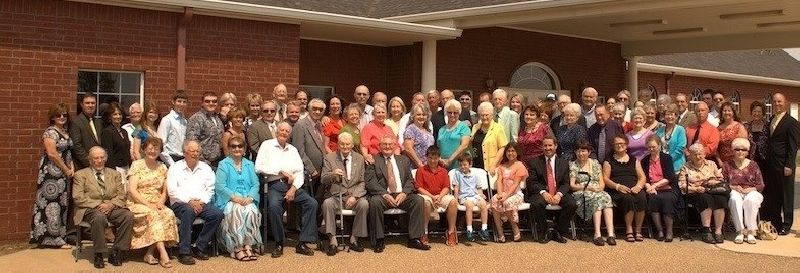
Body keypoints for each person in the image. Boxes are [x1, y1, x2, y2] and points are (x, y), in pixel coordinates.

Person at [254, 122, 318, 257]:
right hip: (274, 185)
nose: (284, 133)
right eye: (281, 130)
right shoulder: (267, 145)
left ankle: (302, 242)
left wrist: (293, 190)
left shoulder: (293, 150)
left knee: (312, 203)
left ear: (290, 135)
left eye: (287, 131)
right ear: (277, 131)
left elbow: (300, 172)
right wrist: (280, 171)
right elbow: (258, 167)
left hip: (292, 186)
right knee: (274, 207)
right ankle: (279, 242)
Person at [366, 135, 429, 252]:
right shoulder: (374, 160)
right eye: (384, 144)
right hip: (383, 196)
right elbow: (370, 182)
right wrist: (384, 194)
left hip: (402, 195)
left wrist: (405, 193)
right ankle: (379, 239)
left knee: (418, 200)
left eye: (390, 144)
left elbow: (410, 180)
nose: (387, 146)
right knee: (374, 202)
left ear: (395, 146)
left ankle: (414, 239)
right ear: (379, 146)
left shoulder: (403, 160)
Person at [72, 147, 133, 268]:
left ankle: (116, 251)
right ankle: (98, 253)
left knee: (128, 216)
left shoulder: (114, 174)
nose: (99, 161)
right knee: (99, 217)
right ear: (90, 160)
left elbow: (122, 195)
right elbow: (77, 197)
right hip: (90, 208)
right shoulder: (80, 175)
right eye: (96, 158)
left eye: (101, 158)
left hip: (111, 207)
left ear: (105, 158)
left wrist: (111, 205)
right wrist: (99, 205)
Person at [167, 141, 224, 265]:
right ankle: (184, 252)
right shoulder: (175, 168)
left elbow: (210, 188)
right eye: (192, 151)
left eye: (197, 151)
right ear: (184, 152)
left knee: (217, 214)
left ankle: (199, 246)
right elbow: (172, 190)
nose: (195, 154)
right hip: (180, 202)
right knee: (188, 211)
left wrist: (201, 201)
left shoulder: (205, 168)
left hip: (201, 202)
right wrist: (190, 201)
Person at [127, 137, 178, 268]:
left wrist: (161, 202)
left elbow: (165, 190)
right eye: (149, 148)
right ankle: (162, 253)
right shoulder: (137, 165)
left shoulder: (162, 167)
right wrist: (148, 204)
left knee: (168, 213)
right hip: (138, 202)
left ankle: (149, 253)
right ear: (143, 150)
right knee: (153, 215)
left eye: (156, 148)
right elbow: (132, 190)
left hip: (157, 202)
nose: (153, 151)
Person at [30, 103, 74, 248]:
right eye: (58, 115)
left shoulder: (65, 131)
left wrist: (71, 167)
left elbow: (68, 152)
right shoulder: (50, 132)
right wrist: (66, 169)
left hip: (63, 174)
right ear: (52, 117)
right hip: (51, 173)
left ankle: (60, 235)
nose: (62, 117)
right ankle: (51, 238)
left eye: (64, 115)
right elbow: (52, 153)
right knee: (52, 204)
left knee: (62, 203)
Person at [320, 132, 368, 255]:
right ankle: (332, 240)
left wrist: (355, 196)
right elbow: (323, 179)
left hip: (353, 196)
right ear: (338, 144)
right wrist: (333, 175)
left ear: (352, 145)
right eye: (342, 144)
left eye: (348, 144)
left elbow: (362, 182)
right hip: (336, 196)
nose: (345, 147)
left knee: (364, 204)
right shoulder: (329, 157)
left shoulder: (359, 158)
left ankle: (354, 238)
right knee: (327, 204)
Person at [214, 136, 262, 261]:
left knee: (251, 211)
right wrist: (234, 197)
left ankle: (248, 245)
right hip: (230, 199)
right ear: (229, 149)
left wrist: (251, 197)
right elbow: (220, 186)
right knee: (236, 211)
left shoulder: (249, 164)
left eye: (240, 146)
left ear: (244, 149)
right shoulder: (223, 164)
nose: (237, 148)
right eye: (233, 146)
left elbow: (255, 184)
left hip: (247, 198)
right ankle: (237, 246)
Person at [527, 137, 576, 244]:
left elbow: (566, 183)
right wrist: (543, 193)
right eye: (545, 145)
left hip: (558, 191)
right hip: (542, 192)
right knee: (536, 204)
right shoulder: (534, 162)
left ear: (555, 146)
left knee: (572, 204)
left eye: (550, 145)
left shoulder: (563, 163)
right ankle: (544, 232)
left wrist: (559, 194)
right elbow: (532, 182)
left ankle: (558, 231)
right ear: (542, 147)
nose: (547, 148)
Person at [764, 93, 799, 235]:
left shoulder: (791, 122)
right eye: (775, 101)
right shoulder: (772, 119)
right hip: (772, 164)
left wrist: (789, 165)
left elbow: (793, 146)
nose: (777, 104)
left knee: (786, 195)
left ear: (785, 103)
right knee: (774, 195)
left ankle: (787, 224)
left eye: (780, 101)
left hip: (785, 165)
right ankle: (776, 223)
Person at [679, 143, 727, 244]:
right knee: (705, 198)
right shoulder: (686, 167)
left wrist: (714, 182)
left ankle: (718, 231)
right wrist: (696, 188)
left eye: (700, 154)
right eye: (695, 154)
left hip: (712, 190)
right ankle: (706, 230)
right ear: (690, 155)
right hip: (696, 193)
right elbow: (682, 185)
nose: (698, 156)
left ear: (704, 154)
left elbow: (720, 178)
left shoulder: (711, 164)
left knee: (721, 199)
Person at [569, 141, 615, 246]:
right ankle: (597, 234)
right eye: (578, 151)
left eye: (583, 151)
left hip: (596, 190)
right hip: (581, 191)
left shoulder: (595, 163)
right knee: (596, 198)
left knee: (606, 196)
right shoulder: (573, 165)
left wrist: (597, 189)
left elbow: (602, 184)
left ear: (589, 152)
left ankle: (610, 234)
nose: (581, 154)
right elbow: (572, 185)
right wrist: (587, 187)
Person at [603, 135, 647, 242]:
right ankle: (629, 229)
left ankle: (638, 230)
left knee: (641, 197)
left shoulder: (634, 160)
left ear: (626, 145)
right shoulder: (608, 161)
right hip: (617, 190)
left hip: (634, 188)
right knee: (628, 199)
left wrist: (638, 186)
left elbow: (642, 176)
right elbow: (605, 179)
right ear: (613, 146)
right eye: (617, 144)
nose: (619, 146)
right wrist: (618, 187)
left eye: (622, 143)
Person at [723, 138, 764, 244]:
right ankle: (740, 231)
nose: (740, 152)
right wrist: (734, 187)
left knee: (751, 200)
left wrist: (751, 189)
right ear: (733, 151)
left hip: (751, 190)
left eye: (743, 149)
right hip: (734, 189)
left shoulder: (753, 165)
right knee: (734, 199)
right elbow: (723, 183)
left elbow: (761, 185)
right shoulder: (727, 165)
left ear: (747, 152)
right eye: (737, 149)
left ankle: (751, 232)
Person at [415, 146, 458, 246]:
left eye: (435, 158)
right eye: (430, 158)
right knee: (425, 201)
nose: (433, 161)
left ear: (439, 158)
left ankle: (451, 232)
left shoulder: (443, 171)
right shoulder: (421, 170)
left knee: (453, 201)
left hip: (440, 196)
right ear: (426, 157)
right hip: (427, 195)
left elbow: (446, 187)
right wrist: (432, 196)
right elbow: (419, 188)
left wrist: (439, 196)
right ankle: (424, 231)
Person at [642, 136, 680, 242]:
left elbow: (669, 177)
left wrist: (655, 185)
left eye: (654, 147)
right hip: (653, 188)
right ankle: (659, 230)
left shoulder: (666, 158)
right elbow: (644, 178)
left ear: (659, 146)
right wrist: (649, 187)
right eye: (649, 147)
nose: (651, 149)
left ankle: (669, 231)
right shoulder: (645, 160)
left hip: (668, 187)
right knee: (654, 199)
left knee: (667, 199)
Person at [490, 142, 529, 243]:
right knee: (494, 200)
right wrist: (499, 194)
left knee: (507, 202)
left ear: (517, 152)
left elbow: (516, 184)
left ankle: (515, 229)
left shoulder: (520, 165)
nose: (510, 153)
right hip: (503, 193)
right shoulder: (502, 166)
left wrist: (506, 196)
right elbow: (499, 181)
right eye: (508, 151)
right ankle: (500, 232)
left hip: (516, 194)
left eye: (513, 151)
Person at [451, 154, 490, 242]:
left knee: (483, 204)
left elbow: (479, 188)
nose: (462, 167)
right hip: (464, 196)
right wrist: (456, 199)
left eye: (465, 165)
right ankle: (469, 229)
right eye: (460, 165)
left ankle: (484, 228)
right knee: (469, 205)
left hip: (475, 195)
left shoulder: (475, 175)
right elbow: (456, 188)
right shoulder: (457, 174)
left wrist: (481, 195)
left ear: (470, 164)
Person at [186, 92, 224, 167]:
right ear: (202, 103)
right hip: (202, 163)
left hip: (216, 162)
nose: (211, 103)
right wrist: (203, 161)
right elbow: (192, 142)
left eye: (214, 101)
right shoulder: (197, 118)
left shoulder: (218, 119)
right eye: (207, 101)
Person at [471, 102, 508, 173]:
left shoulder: (498, 128)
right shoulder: (475, 127)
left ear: (492, 115)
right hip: (475, 166)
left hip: (490, 167)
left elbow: (502, 148)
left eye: (486, 115)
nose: (484, 117)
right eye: (482, 115)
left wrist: (494, 165)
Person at [101, 103, 131, 185]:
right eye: (115, 114)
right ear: (110, 116)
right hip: (116, 168)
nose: (118, 116)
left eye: (120, 114)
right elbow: (108, 154)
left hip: (126, 167)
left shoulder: (124, 131)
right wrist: (113, 172)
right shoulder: (107, 132)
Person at [437, 99, 472, 169]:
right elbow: (438, 148)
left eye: (455, 112)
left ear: (459, 113)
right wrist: (440, 160)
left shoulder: (463, 127)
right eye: (450, 112)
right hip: (443, 166)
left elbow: (464, 145)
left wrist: (450, 160)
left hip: (460, 166)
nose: (452, 115)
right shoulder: (441, 129)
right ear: (446, 113)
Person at [70, 91, 101, 170]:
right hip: (83, 167)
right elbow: (77, 147)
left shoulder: (98, 122)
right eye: (87, 103)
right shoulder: (76, 122)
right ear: (82, 104)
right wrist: (90, 163)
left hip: (98, 165)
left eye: (93, 103)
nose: (90, 105)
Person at [157, 90, 188, 167]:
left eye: (184, 102)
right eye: (179, 101)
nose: (182, 104)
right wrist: (171, 164)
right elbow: (161, 144)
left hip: (183, 160)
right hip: (170, 159)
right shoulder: (167, 120)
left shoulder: (185, 121)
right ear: (173, 102)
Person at [744, 101, 769, 194]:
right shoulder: (746, 126)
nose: (756, 114)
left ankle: (765, 207)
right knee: (752, 184)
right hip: (751, 160)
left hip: (765, 160)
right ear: (751, 112)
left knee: (765, 184)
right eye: (754, 111)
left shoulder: (768, 126)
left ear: (763, 113)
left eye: (759, 112)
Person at [655, 103, 687, 172]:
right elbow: (657, 146)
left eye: (672, 114)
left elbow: (680, 148)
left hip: (677, 166)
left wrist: (668, 159)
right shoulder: (659, 131)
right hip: (662, 165)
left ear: (676, 116)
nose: (670, 117)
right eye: (667, 114)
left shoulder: (680, 130)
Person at [403, 103, 434, 169]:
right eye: (418, 114)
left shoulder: (427, 130)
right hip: (415, 167)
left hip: (428, 167)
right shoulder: (411, 129)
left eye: (424, 115)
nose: (421, 117)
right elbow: (408, 148)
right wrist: (419, 163)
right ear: (413, 116)